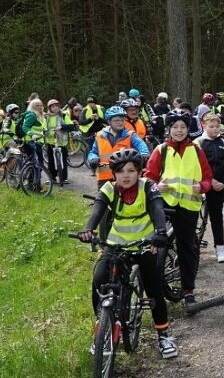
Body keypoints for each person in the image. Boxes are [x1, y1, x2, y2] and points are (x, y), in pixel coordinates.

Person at [76, 148, 178, 359]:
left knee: (154, 288)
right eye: (120, 171)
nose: (126, 175)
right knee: (99, 279)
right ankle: (102, 330)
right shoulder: (109, 189)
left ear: (140, 172)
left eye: (131, 170)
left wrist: (160, 232)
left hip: (144, 245)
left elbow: (158, 209)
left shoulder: (147, 187)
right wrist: (89, 229)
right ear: (114, 174)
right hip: (116, 244)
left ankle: (164, 336)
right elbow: (98, 210)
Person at [145, 109, 213, 305]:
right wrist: (157, 186)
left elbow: (207, 177)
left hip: (188, 207)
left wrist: (201, 187)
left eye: (183, 127)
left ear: (188, 129)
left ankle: (188, 290)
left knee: (186, 249)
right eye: (175, 127)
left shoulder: (196, 150)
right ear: (169, 129)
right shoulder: (161, 150)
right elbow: (149, 178)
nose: (179, 130)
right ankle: (153, 285)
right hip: (164, 204)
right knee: (155, 244)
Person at [194, 114, 224, 262]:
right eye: (211, 126)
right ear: (204, 126)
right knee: (193, 217)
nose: (215, 129)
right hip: (199, 185)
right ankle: (193, 246)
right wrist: (208, 180)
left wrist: (223, 182)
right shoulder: (197, 143)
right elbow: (194, 165)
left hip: (218, 187)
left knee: (216, 218)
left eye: (217, 127)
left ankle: (220, 249)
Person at [88, 106, 150, 187]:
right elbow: (93, 151)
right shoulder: (100, 135)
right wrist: (93, 158)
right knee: (105, 198)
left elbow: (141, 144)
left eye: (122, 120)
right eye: (116, 120)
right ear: (109, 121)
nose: (120, 122)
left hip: (124, 175)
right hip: (105, 176)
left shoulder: (130, 135)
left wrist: (144, 153)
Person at [45, 99, 76, 184]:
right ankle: (52, 178)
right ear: (50, 108)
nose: (55, 107)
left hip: (62, 142)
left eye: (56, 106)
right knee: (51, 161)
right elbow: (44, 128)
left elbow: (71, 126)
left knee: (63, 160)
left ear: (59, 106)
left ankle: (64, 178)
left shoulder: (63, 116)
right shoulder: (46, 117)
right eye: (52, 106)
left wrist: (62, 127)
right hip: (51, 142)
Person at [21, 99, 47, 170]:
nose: (40, 107)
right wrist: (32, 134)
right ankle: (32, 180)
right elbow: (25, 126)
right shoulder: (32, 115)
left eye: (41, 105)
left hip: (38, 142)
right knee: (35, 164)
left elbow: (42, 128)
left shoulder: (41, 116)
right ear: (32, 107)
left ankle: (35, 180)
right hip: (30, 141)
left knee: (39, 164)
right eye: (37, 106)